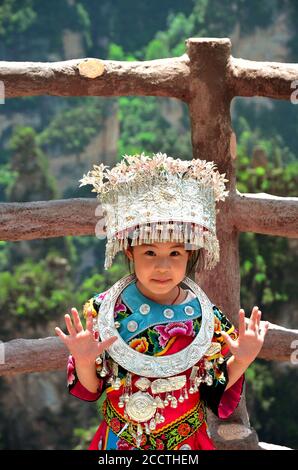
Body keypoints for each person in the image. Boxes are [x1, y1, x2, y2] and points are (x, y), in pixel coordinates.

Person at [55, 152, 269, 450]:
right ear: (129, 252)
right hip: (118, 444)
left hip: (186, 445)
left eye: (175, 253)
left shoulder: (207, 320)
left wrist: (242, 358)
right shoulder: (103, 312)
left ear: (190, 255)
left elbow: (214, 394)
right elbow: (91, 389)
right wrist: (84, 359)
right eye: (150, 253)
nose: (163, 267)